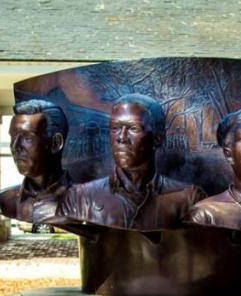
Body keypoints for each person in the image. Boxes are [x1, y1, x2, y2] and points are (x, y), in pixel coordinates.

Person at [55, 93, 203, 230]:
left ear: (158, 138)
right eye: (115, 128)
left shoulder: (189, 199)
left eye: (133, 128)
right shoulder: (78, 198)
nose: (122, 137)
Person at [0, 99, 71, 224]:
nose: (15, 146)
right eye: (13, 137)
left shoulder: (86, 201)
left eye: (27, 138)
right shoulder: (4, 200)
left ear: (56, 143)